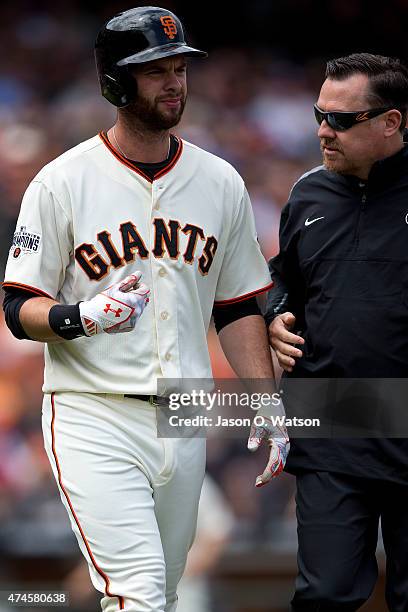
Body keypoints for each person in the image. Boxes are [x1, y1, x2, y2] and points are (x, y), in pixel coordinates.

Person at [2, 7, 288, 612]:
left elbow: (238, 308)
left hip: (182, 422)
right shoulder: (61, 181)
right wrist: (81, 316)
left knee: (168, 594)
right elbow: (17, 306)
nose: (174, 82)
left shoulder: (220, 181)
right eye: (154, 70)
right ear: (114, 81)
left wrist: (266, 399)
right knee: (136, 593)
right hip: (91, 413)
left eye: (179, 67)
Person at [266, 53, 408, 611]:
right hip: (331, 428)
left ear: (392, 122)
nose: (324, 131)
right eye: (319, 115)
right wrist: (276, 314)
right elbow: (284, 282)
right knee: (323, 595)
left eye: (342, 120)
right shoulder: (307, 195)